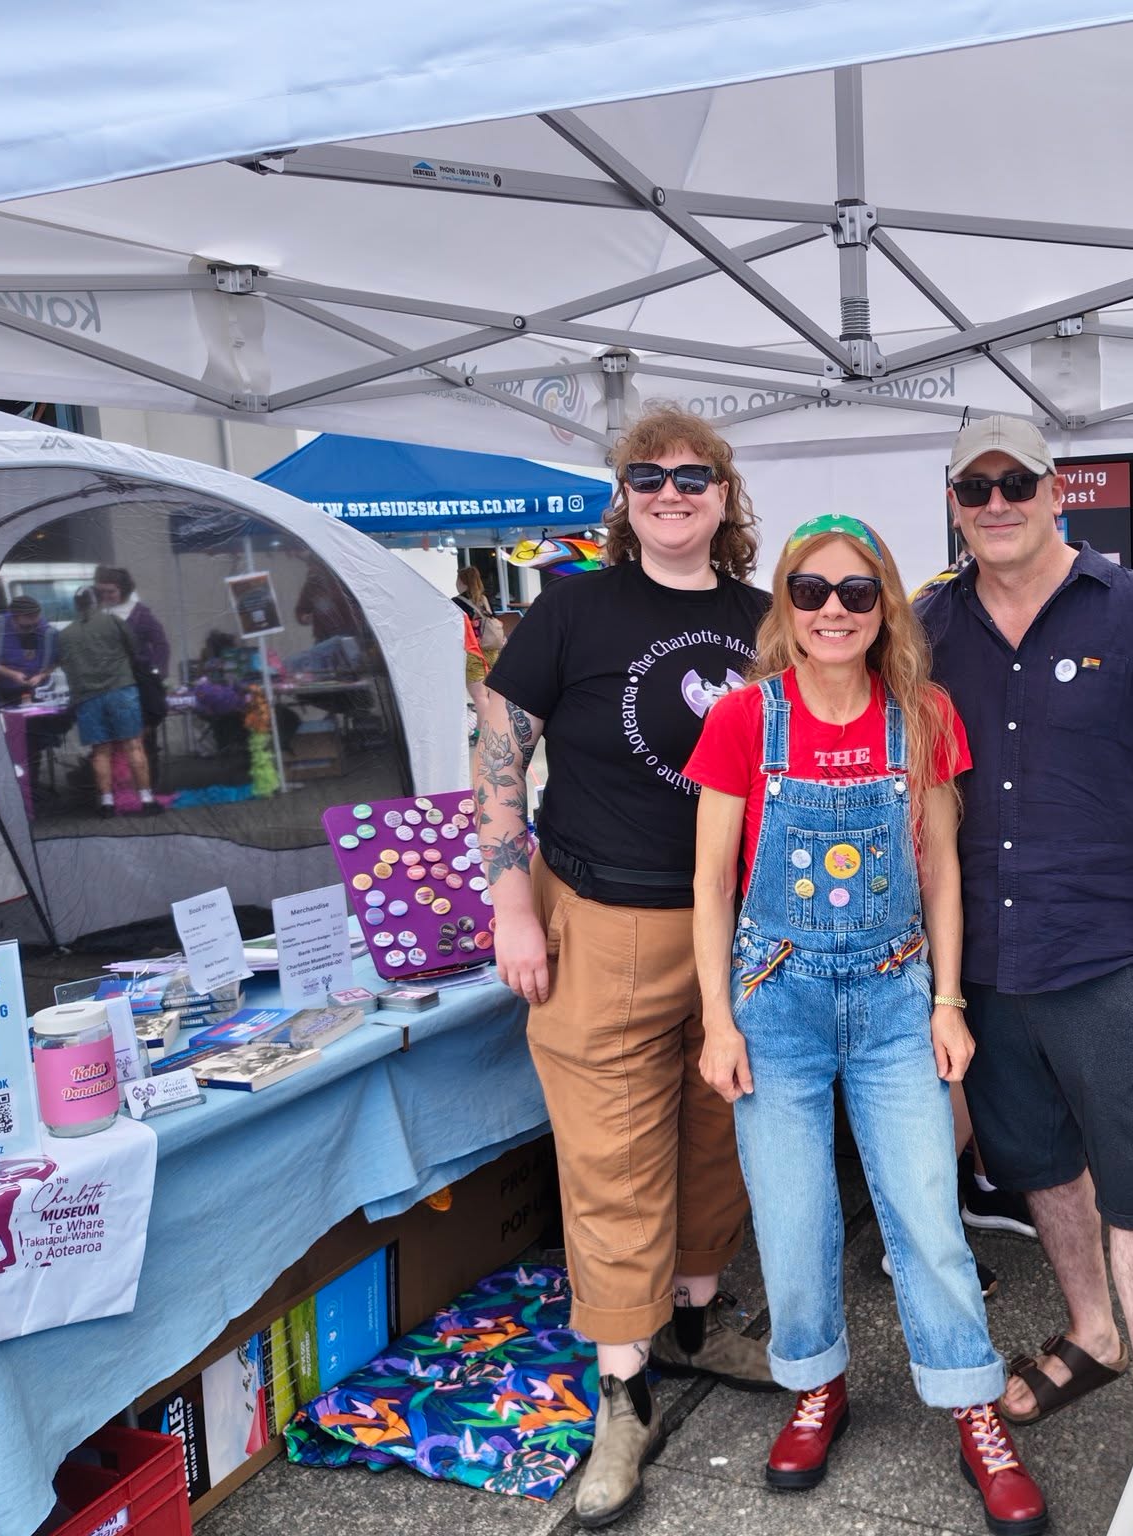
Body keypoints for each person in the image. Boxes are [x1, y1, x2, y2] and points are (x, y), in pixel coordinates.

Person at [687, 513, 1048, 1533]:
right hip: (777, 1006)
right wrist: (718, 1021)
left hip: (894, 998)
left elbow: (939, 866)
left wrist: (945, 1001)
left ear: (884, 603)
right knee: (792, 1220)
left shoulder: (921, 714)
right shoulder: (742, 721)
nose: (833, 610)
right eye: (811, 591)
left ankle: (972, 1404)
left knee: (930, 1218)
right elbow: (710, 886)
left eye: (855, 592)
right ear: (785, 605)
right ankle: (815, 1384)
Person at [476, 407, 774, 1528]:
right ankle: (623, 1392)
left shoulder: (767, 618)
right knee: (610, 1159)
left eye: (691, 475)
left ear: (723, 493)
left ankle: (696, 1326)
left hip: (741, 930)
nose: (668, 491)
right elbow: (499, 749)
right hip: (598, 918)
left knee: (721, 1136)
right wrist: (511, 902)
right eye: (645, 476)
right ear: (622, 496)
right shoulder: (572, 609)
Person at [916, 415, 1133, 1429]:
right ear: (954, 504)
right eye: (975, 488)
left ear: (1057, 490)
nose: (996, 503)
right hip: (985, 964)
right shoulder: (927, 626)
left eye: (1016, 482)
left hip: (1106, 954)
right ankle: (1092, 1334)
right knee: (1035, 1161)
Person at [58, 586, 160, 817]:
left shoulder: (64, 635)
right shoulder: (113, 621)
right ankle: (147, 800)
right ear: (97, 602)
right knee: (133, 745)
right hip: (121, 689)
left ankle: (106, 804)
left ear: (76, 605)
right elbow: (134, 649)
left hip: (87, 697)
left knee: (100, 751)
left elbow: (65, 664)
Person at [94, 565, 169, 784]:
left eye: (111, 591)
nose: (106, 596)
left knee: (142, 735)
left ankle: (148, 785)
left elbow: (161, 644)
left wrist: (157, 672)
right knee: (117, 737)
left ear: (123, 590)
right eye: (102, 592)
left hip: (139, 681)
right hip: (111, 682)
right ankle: (123, 787)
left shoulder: (140, 614)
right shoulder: (99, 614)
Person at [455, 565, 503, 727]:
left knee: (479, 696)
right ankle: (494, 725)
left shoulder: (456, 603)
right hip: (491, 650)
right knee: (489, 694)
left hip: (473, 652)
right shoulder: (485, 599)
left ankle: (484, 732)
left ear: (462, 581)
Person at [0, 594, 58, 703]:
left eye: (35, 625)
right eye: (25, 627)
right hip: (3, 692)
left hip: (40, 691)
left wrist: (41, 676)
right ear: (12, 617)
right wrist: (11, 674)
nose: (31, 630)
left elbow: (55, 663)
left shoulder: (48, 632)